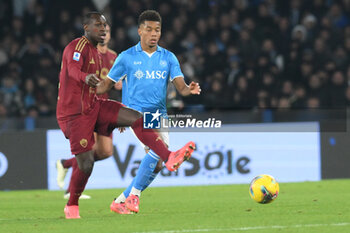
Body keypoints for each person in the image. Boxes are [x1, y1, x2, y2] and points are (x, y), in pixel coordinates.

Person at [57, 12, 195, 219]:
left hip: (99, 105)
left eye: (105, 25)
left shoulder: (103, 53)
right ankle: (73, 204)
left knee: (133, 123)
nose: (103, 29)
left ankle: (161, 165)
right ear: (86, 27)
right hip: (74, 113)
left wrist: (120, 114)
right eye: (98, 25)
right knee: (87, 163)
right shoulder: (78, 47)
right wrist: (86, 78)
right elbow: (72, 70)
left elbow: (103, 87)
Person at [98, 10, 201, 214]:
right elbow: (105, 86)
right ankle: (134, 195)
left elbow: (180, 87)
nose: (154, 34)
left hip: (159, 115)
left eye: (157, 30)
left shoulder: (169, 58)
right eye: (149, 29)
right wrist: (112, 113)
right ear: (139, 31)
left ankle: (121, 200)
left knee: (158, 164)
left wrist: (189, 89)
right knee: (159, 150)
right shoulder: (126, 57)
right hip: (136, 115)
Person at [56, 23, 118, 200]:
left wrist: (118, 84)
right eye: (100, 32)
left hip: (105, 106)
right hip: (87, 107)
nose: (104, 35)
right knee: (87, 150)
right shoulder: (87, 53)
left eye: (106, 32)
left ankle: (65, 164)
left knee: (106, 152)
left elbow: (117, 80)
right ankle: (71, 191)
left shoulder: (114, 56)